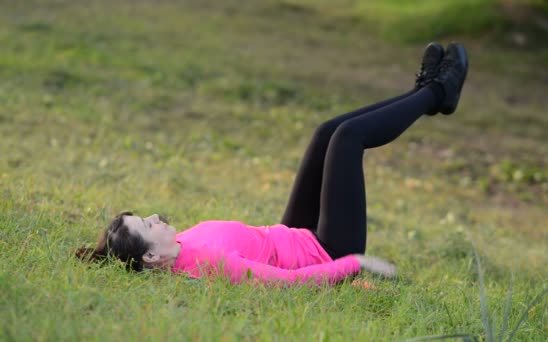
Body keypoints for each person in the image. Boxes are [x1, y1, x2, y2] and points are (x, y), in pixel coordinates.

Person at [76, 42, 469, 286]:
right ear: (151, 257)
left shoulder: (180, 246)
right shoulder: (208, 265)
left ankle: (422, 92)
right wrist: (353, 264)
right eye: (148, 225)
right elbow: (286, 282)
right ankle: (437, 92)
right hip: (325, 250)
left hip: (292, 234)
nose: (157, 217)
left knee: (324, 133)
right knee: (348, 139)